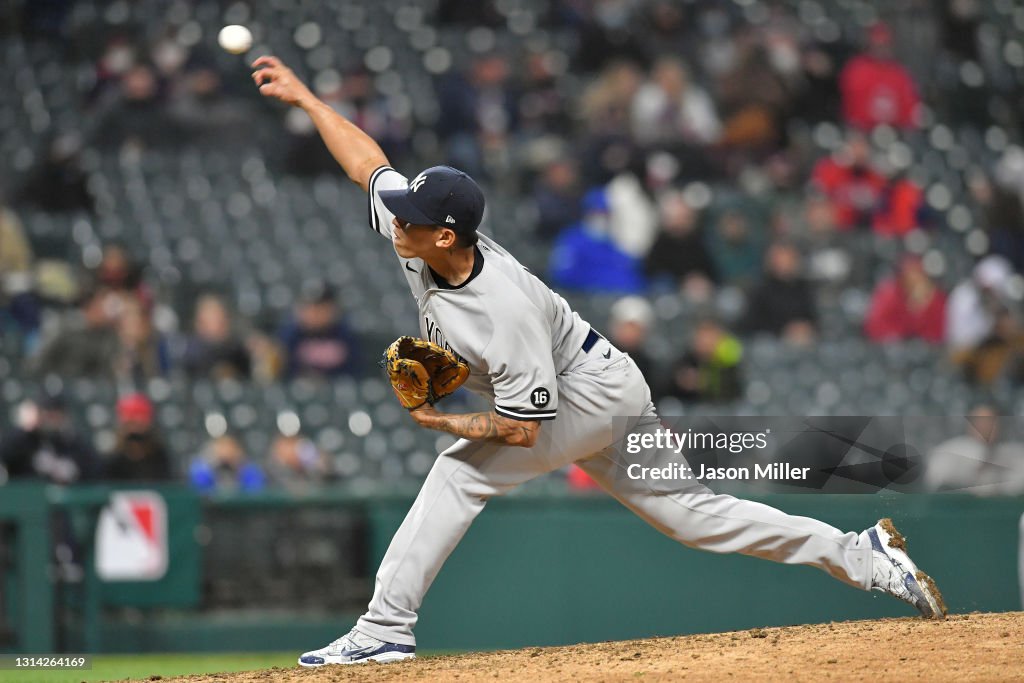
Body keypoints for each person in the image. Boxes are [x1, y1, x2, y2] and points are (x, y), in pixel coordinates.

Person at [251, 55, 946, 667]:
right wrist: (310, 100)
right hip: (606, 377)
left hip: (582, 393)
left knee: (458, 475)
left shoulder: (500, 307)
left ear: (446, 233)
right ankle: (862, 554)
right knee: (694, 515)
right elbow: (367, 163)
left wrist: (443, 419)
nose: (394, 221)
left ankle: (383, 629)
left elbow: (525, 430)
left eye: (410, 218)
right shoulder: (422, 237)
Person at [104, 393, 173, 481]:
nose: (134, 428)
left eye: (139, 422)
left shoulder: (159, 457)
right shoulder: (114, 462)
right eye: (130, 423)